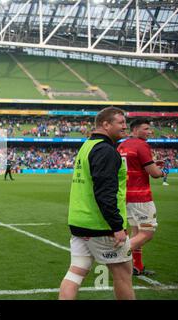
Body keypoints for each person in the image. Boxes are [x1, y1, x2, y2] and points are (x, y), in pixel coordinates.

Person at [59, 107, 135, 300]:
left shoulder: (87, 146)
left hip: (79, 223)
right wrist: (117, 226)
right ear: (105, 124)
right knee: (123, 276)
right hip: (102, 226)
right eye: (120, 122)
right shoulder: (105, 150)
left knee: (75, 273)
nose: (125, 127)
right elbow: (105, 192)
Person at [117, 118, 167, 276]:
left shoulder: (122, 145)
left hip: (126, 195)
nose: (149, 131)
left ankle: (137, 266)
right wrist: (161, 171)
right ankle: (116, 256)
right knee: (147, 232)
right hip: (140, 196)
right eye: (145, 129)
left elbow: (136, 166)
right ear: (135, 130)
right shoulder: (141, 144)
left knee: (137, 231)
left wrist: (151, 164)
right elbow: (154, 173)